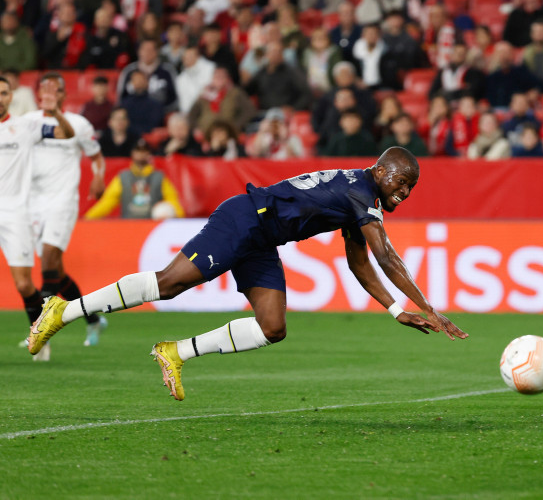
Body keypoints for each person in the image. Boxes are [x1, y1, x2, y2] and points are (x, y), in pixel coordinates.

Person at [29, 148, 468, 399]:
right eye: (402, 181)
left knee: (273, 327)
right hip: (245, 218)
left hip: (262, 240)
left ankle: (174, 352)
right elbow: (387, 257)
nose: (405, 192)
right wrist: (430, 308)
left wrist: (396, 312)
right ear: (380, 171)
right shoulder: (361, 192)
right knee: (169, 284)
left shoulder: (361, 198)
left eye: (411, 187)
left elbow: (360, 263)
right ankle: (63, 310)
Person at [26, 72, 109, 346]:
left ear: (63, 94)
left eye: (58, 90)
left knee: (49, 257)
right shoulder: (28, 123)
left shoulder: (78, 123)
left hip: (63, 199)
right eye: (47, 90)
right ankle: (93, 320)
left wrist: (98, 176)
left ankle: (39, 328)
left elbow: (96, 156)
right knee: (55, 272)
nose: (53, 94)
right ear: (39, 94)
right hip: (34, 203)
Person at [0, 77, 74, 361]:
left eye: (4, 93)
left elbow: (66, 134)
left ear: (11, 97)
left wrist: (55, 112)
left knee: (23, 285)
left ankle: (40, 333)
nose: (0, 97)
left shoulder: (26, 127)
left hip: (15, 213)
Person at [85, 139, 185, 220]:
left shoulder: (159, 177)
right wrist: (88, 218)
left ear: (149, 154)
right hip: (129, 227)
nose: (141, 154)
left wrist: (180, 218)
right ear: (132, 153)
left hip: (151, 227)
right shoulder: (123, 177)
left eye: (144, 151)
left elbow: (172, 200)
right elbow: (107, 202)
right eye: (138, 151)